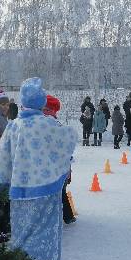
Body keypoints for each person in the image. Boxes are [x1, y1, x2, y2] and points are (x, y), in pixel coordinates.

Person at [0, 78, 77, 260]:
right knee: (44, 228)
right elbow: (69, 139)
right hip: (46, 189)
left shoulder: (14, 126)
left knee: (21, 229)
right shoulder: (48, 124)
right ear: (41, 102)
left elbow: (2, 156)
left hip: (20, 189)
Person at [44, 95, 76, 225]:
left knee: (57, 193)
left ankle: (61, 218)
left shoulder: (51, 126)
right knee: (60, 192)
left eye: (45, 109)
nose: (43, 112)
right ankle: (68, 217)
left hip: (56, 168)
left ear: (51, 110)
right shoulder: (53, 125)